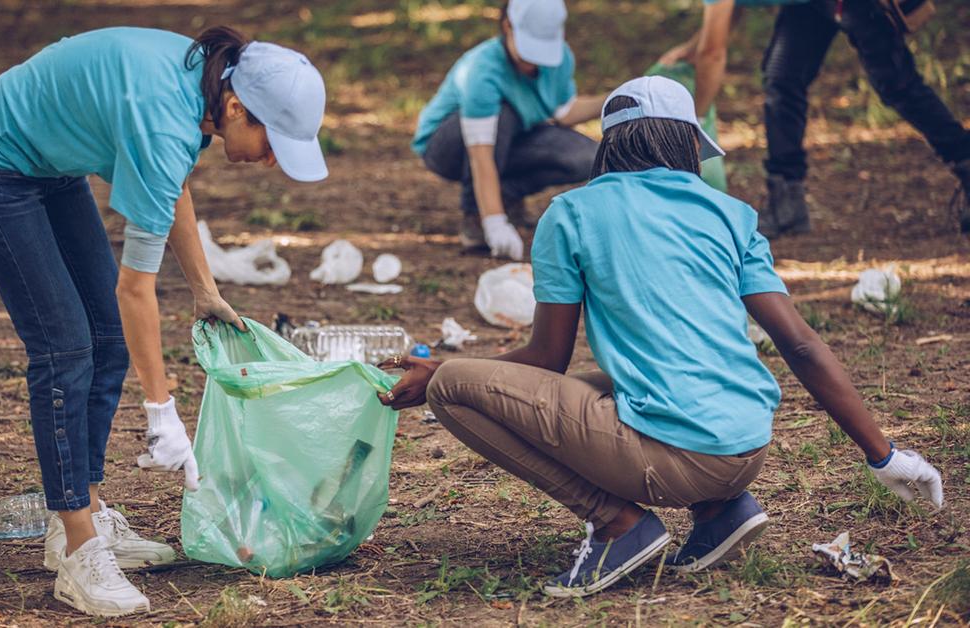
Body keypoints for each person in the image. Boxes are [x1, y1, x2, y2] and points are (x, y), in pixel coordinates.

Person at [378, 76, 943, 597]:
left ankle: (618, 524)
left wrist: (442, 372)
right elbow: (801, 344)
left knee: (452, 386)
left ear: (607, 147)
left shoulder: (570, 213)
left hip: (678, 459)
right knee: (601, 384)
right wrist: (884, 455)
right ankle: (721, 512)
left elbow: (545, 359)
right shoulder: (731, 213)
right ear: (688, 145)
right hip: (747, 446)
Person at [0, 26, 327, 616]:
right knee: (65, 350)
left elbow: (169, 186)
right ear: (236, 106)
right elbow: (136, 289)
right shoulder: (165, 118)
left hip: (50, 164)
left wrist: (205, 292)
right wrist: (161, 410)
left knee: (103, 339)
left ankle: (85, 512)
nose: (274, 159)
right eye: (274, 141)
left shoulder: (200, 92)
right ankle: (77, 550)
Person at [658, 0, 970, 237]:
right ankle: (786, 201)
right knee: (782, 77)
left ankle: (965, 160)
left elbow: (713, 54)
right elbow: (729, 11)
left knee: (898, 85)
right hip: (807, 5)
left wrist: (693, 122)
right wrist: (692, 47)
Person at [411, 0, 606, 260]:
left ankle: (504, 195)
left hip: (514, 138)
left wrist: (614, 99)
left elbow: (563, 111)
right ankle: (476, 218)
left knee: (587, 157)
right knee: (503, 114)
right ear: (507, 26)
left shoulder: (560, 59)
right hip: (448, 146)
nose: (534, 63)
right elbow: (481, 155)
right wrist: (494, 222)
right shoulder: (483, 69)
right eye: (529, 50)